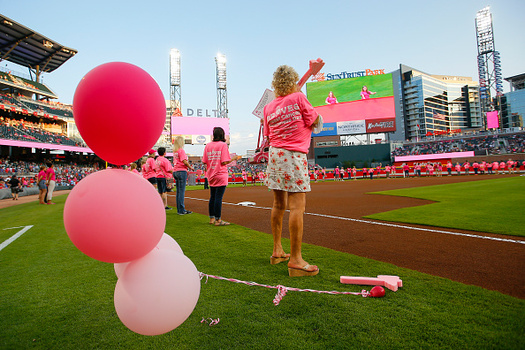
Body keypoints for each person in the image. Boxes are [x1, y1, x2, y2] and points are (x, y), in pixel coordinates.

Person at [263, 65, 321, 277]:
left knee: (278, 204)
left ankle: (277, 250)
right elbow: (315, 121)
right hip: (294, 155)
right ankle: (296, 260)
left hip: (275, 156)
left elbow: (269, 135)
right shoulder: (298, 97)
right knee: (297, 206)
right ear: (294, 80)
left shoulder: (268, 107)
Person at [202, 127, 240, 226]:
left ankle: (211, 218)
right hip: (221, 174)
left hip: (211, 174)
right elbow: (225, 161)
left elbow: (204, 161)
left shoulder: (208, 145)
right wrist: (234, 158)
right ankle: (218, 220)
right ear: (222, 135)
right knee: (218, 197)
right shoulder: (223, 145)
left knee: (212, 197)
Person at [172, 135, 194, 215]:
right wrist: (190, 167)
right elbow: (184, 161)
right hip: (181, 171)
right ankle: (181, 210)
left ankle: (179, 209)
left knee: (178, 192)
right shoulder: (181, 150)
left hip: (175, 171)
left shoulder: (175, 151)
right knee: (181, 192)